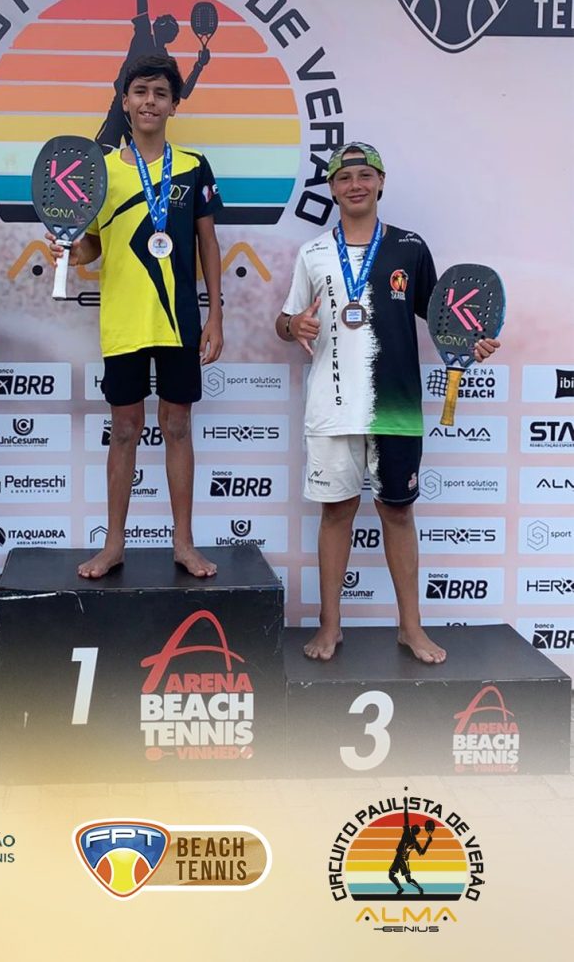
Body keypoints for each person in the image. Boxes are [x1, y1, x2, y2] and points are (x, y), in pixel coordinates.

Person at [276, 142, 499, 663]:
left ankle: (411, 629)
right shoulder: (313, 253)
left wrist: (473, 343)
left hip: (394, 405)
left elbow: (444, 320)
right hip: (331, 407)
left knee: (397, 514)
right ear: (332, 189)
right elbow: (285, 322)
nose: (355, 184)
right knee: (336, 513)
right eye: (344, 177)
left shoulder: (409, 248)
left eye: (365, 175)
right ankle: (330, 626)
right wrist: (294, 326)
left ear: (380, 182)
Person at [51, 53, 224, 578]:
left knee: (178, 427)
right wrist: (69, 250)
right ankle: (113, 545)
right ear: (124, 101)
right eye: (141, 92)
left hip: (178, 322)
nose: (150, 101)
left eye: (161, 94)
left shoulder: (193, 165)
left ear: (174, 104)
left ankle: (184, 543)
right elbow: (92, 247)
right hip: (123, 323)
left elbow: (208, 243)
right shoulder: (99, 170)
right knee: (124, 430)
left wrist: (216, 315)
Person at [95, 0, 212, 152]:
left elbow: (183, 93)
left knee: (144, 159)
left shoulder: (166, 61)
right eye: (161, 20)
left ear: (169, 33)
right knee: (101, 153)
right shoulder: (143, 35)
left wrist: (199, 66)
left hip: (140, 116)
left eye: (165, 22)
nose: (158, 20)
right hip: (121, 108)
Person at [388, 799, 435, 895]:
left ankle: (419, 888)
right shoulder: (415, 842)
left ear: (413, 830)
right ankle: (402, 889)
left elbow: (406, 817)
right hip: (399, 858)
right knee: (392, 875)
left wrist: (405, 805)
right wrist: (427, 843)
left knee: (405, 879)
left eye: (413, 827)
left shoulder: (407, 833)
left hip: (403, 860)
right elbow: (422, 853)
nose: (412, 827)